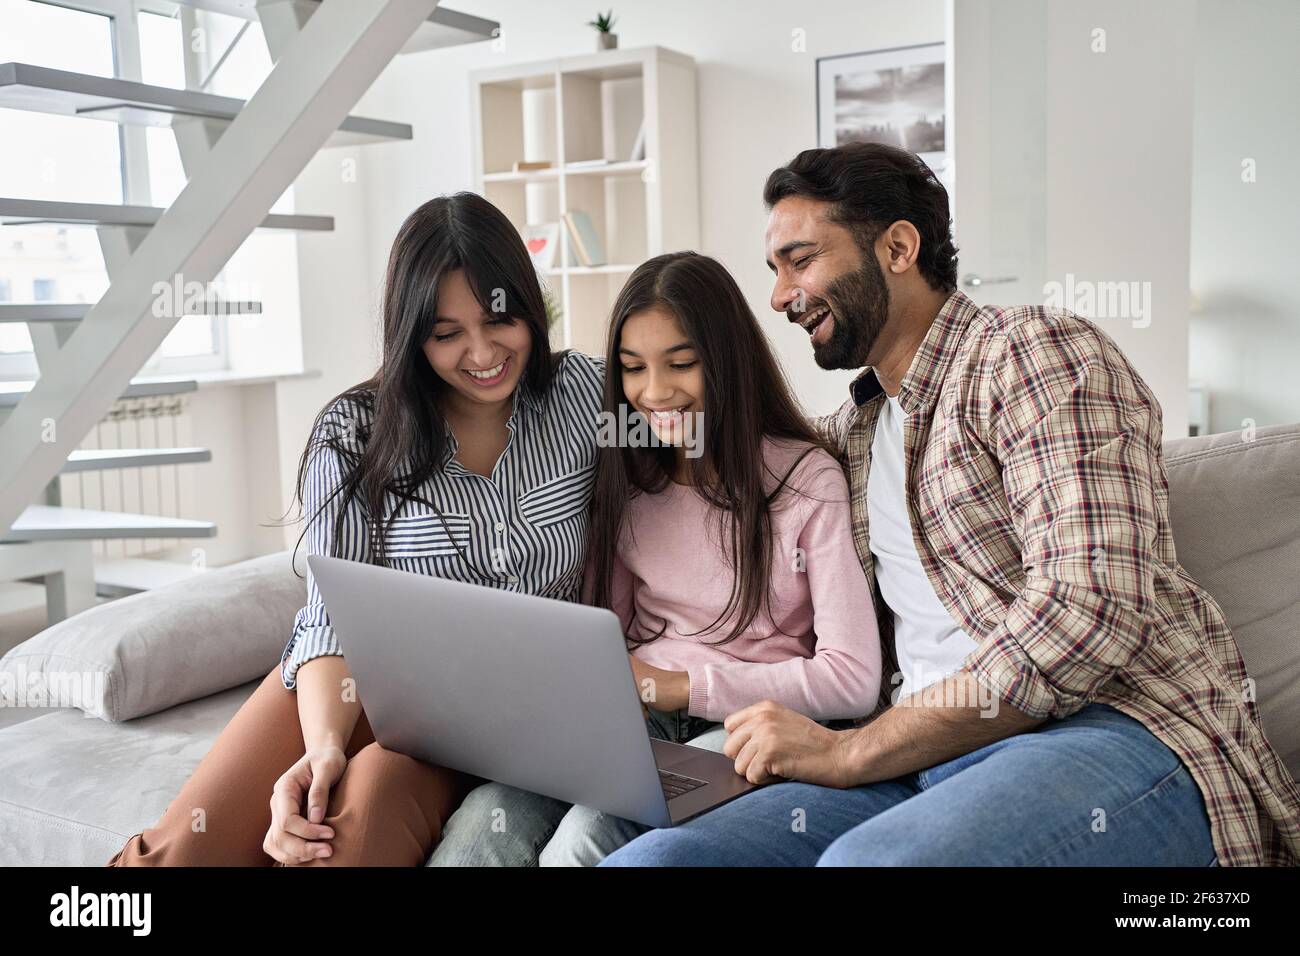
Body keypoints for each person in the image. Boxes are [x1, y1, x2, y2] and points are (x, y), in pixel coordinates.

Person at [602, 143, 1300, 867]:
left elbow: (1088, 613)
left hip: (1102, 731)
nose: (780, 296)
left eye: (800, 260)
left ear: (899, 247)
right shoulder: (857, 433)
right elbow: (732, 447)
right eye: (773, 271)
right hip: (912, 764)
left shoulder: (1033, 355)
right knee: (651, 863)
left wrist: (855, 749)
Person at [108, 192, 604, 866]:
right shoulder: (353, 431)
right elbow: (329, 614)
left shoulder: (584, 396)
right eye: (446, 333)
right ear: (411, 335)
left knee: (352, 824)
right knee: (182, 851)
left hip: (492, 713)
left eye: (499, 320)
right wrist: (323, 750)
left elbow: (714, 433)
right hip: (349, 678)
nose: (482, 352)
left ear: (527, 305)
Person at [430, 251, 881, 866]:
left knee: (588, 834)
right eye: (633, 369)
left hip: (741, 730)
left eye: (681, 364)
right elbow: (602, 635)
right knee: (487, 819)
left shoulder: (805, 479)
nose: (655, 392)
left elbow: (853, 679)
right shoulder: (629, 480)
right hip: (628, 721)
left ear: (726, 360)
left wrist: (683, 686)